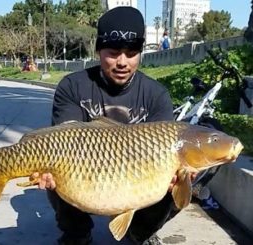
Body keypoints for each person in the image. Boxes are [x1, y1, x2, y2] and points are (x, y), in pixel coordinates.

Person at [32, 6, 193, 245]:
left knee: (176, 178)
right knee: (58, 165)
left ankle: (139, 232)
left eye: (131, 53)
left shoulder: (156, 95)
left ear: (140, 53)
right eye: (113, 52)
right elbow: (61, 141)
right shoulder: (72, 86)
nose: (122, 62)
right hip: (85, 176)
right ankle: (77, 233)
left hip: (138, 178)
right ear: (98, 50)